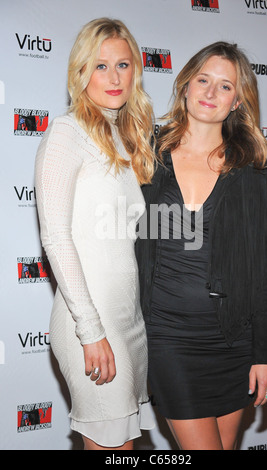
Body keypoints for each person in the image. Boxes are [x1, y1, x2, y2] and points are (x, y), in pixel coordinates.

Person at [136, 41, 267, 450]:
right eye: (203, 80)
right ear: (185, 84)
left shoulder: (251, 166)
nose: (210, 93)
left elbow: (263, 264)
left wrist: (264, 353)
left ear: (237, 102)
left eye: (225, 86)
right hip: (168, 334)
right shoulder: (147, 152)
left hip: (233, 337)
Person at [35, 18, 156, 450]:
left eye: (123, 64)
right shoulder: (67, 133)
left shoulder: (125, 138)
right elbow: (56, 237)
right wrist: (90, 330)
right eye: (100, 65)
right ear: (81, 71)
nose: (114, 76)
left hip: (128, 319)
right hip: (89, 321)